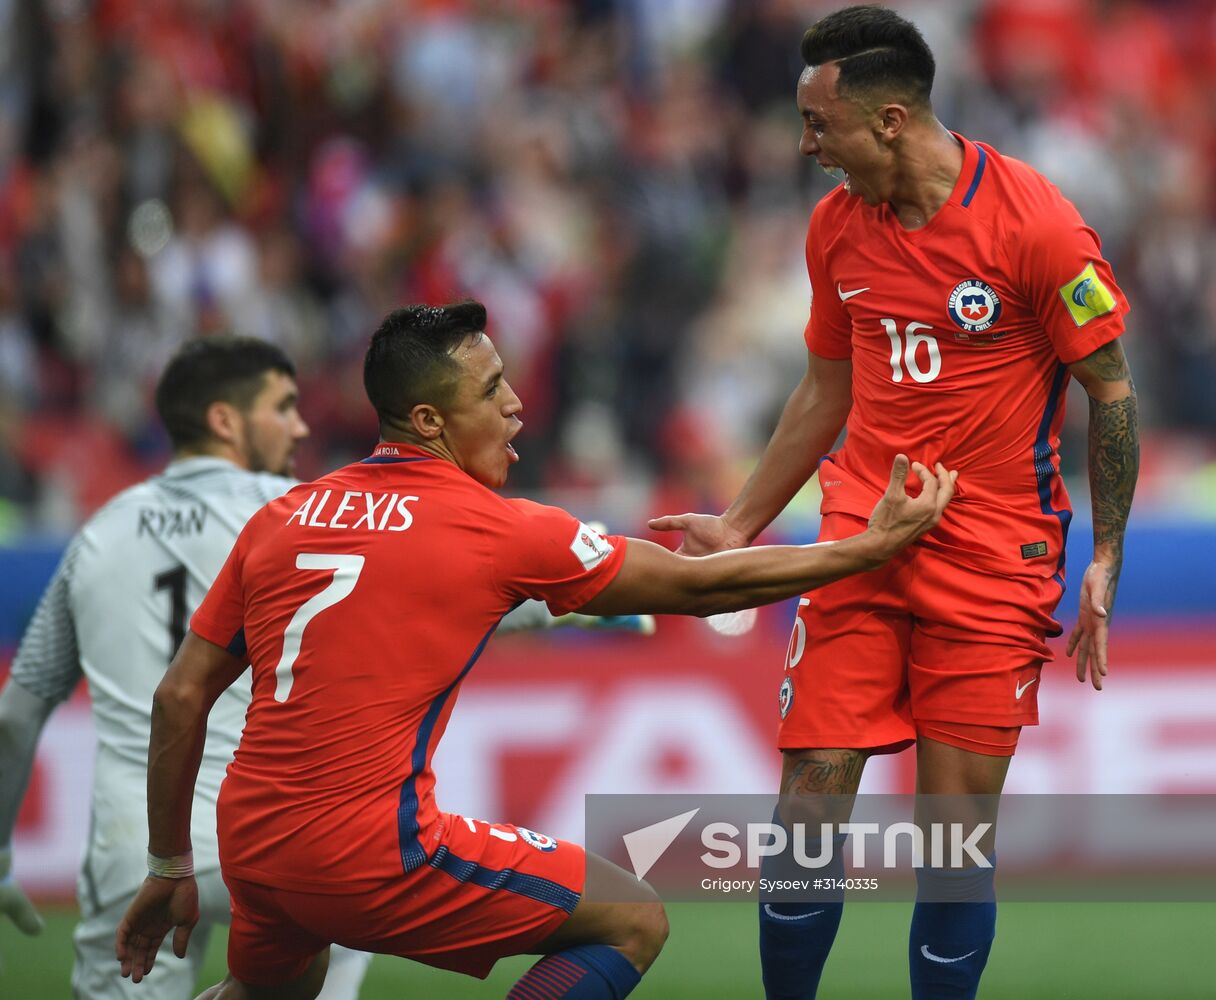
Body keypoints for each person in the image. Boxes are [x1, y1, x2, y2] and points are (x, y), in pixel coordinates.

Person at [115, 300, 956, 1000]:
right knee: (632, 918)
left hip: (252, 849)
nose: (517, 404)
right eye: (492, 390)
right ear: (428, 420)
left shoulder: (283, 517)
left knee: (271, 990)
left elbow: (180, 697)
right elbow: (701, 588)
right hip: (371, 853)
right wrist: (865, 549)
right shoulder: (494, 529)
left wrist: (166, 866)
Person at [648, 8, 1139, 1000]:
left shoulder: (1035, 226)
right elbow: (823, 389)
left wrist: (1104, 552)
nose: (803, 146)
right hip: (857, 548)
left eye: (816, 124)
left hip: (991, 559)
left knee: (950, 845)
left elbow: (1110, 392)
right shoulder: (834, 227)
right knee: (806, 817)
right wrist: (741, 522)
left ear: (885, 122)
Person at [0, 336, 376, 998]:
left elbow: (16, 717)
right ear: (224, 419)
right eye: (283, 406)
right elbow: (437, 577)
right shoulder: (299, 513)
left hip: (136, 844)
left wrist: (1, 855)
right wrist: (572, 603)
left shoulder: (96, 534)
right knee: (339, 933)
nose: (302, 424)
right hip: (268, 835)